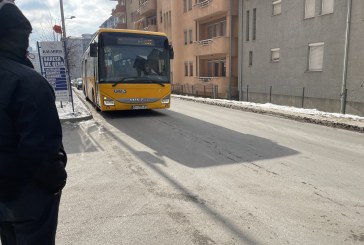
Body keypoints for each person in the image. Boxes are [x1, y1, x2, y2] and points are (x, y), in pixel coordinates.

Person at [0, 1, 67, 244]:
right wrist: (56, 181)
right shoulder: (29, 82)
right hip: (28, 197)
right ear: (18, 38)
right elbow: (39, 150)